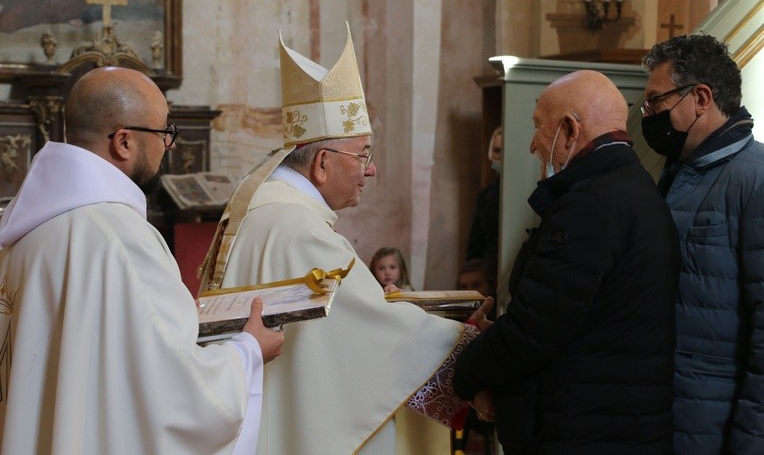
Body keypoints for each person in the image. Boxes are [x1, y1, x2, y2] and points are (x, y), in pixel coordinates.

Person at [200, 25, 487, 453]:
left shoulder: (264, 209)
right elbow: (372, 335)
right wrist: (465, 343)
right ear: (321, 164)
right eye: (364, 154)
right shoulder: (301, 231)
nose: (370, 170)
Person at [0, 66, 284, 454]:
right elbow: (178, 391)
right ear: (124, 142)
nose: (169, 146)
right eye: (165, 132)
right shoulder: (120, 238)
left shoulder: (20, 231)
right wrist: (248, 351)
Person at [453, 70, 680, 454]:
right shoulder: (635, 188)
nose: (531, 145)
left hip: (585, 431)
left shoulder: (590, 205)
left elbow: (536, 332)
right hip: (619, 424)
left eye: (539, 128)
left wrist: (467, 374)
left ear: (571, 130)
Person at [641, 34, 764, 454]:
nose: (649, 115)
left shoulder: (756, 179)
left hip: (715, 426)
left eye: (656, 102)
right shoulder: (676, 173)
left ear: (701, 98)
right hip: (666, 416)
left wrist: (750, 443)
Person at [465, 126, 501, 285]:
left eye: (504, 150)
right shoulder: (486, 195)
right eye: (497, 150)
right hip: (488, 274)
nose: (500, 156)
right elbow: (476, 243)